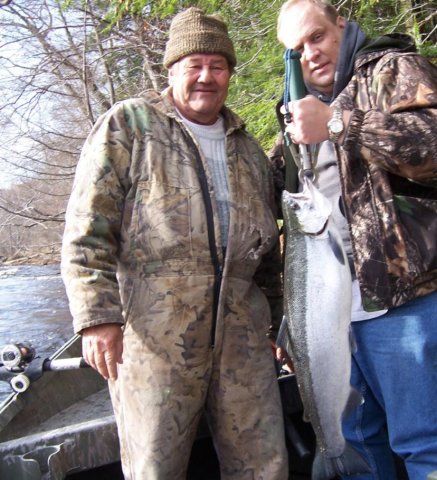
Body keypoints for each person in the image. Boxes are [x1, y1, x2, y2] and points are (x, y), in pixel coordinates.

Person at [61, 7, 289, 480]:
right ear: (172, 70)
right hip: (153, 339)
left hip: (244, 335)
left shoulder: (248, 147)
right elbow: (88, 229)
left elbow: (267, 252)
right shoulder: (130, 125)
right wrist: (98, 318)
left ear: (229, 73)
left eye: (218, 65)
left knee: (265, 465)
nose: (206, 76)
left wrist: (277, 324)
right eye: (194, 65)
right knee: (155, 468)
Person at [272, 0, 437, 479]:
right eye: (296, 49)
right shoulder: (292, 114)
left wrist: (342, 124)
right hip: (332, 320)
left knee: (425, 444)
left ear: (341, 24)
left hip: (407, 307)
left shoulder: (392, 69)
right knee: (358, 452)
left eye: (317, 37)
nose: (311, 54)